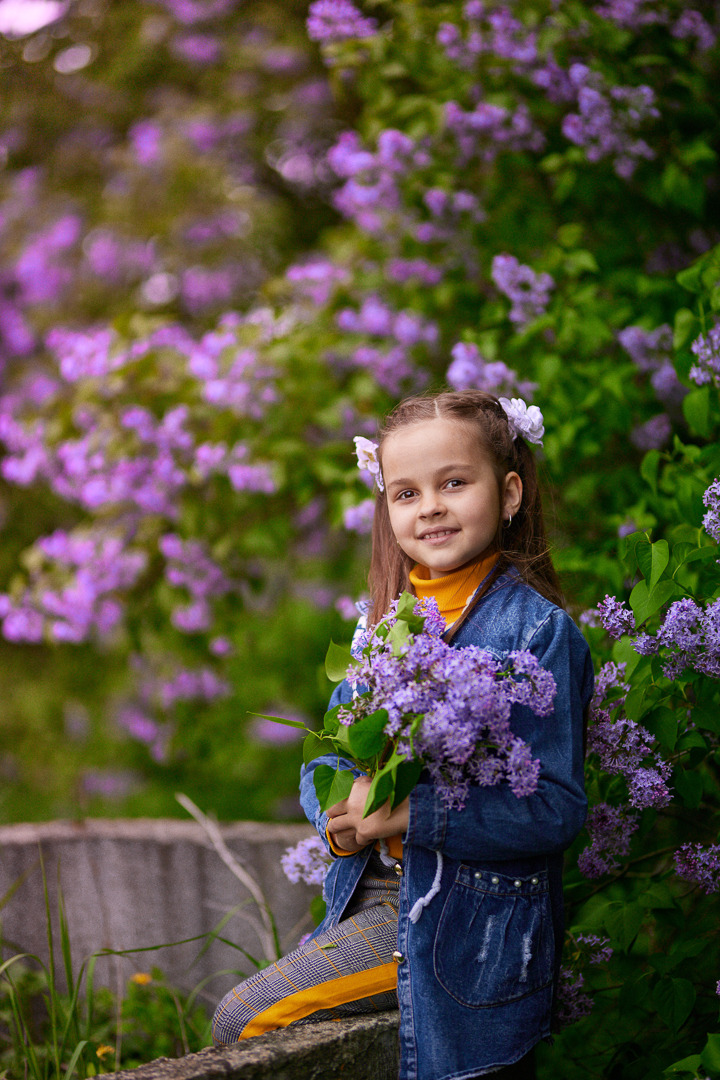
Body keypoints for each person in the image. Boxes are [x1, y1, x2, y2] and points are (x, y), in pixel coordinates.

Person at [212, 389, 594, 1079]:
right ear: (387, 510)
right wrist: (340, 818)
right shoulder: (383, 628)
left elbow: (556, 809)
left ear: (509, 493)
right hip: (374, 893)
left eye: (454, 483)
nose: (431, 507)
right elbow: (326, 760)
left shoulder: (537, 633)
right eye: (406, 493)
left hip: (463, 925)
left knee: (244, 1018)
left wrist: (417, 813)